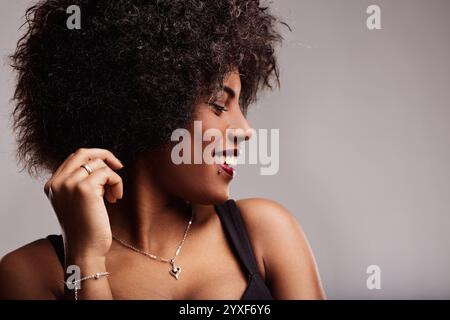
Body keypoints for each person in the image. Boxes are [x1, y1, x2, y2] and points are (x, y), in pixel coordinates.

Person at [0, 0, 325, 300]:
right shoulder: (30, 274)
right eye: (219, 104)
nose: (245, 130)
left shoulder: (266, 232)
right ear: (150, 104)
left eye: (240, 105)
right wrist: (86, 260)